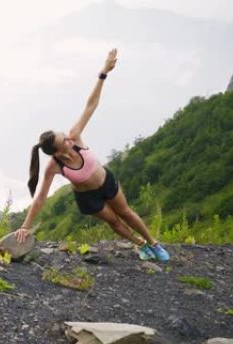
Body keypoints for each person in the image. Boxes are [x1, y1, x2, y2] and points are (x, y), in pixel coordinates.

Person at [14, 48, 170, 262]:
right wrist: (25, 226)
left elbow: (91, 105)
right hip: (88, 197)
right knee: (115, 223)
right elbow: (40, 198)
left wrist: (103, 73)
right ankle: (141, 245)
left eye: (65, 136)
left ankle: (154, 243)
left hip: (106, 182)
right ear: (58, 151)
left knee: (126, 213)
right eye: (64, 141)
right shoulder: (55, 166)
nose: (69, 139)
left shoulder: (75, 136)